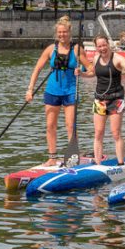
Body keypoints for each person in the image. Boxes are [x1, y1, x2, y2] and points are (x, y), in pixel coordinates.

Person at [25, 16, 93, 166]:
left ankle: (73, 156)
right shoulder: (50, 49)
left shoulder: (77, 49)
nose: (62, 35)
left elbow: (91, 70)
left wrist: (81, 73)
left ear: (70, 32)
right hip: (52, 91)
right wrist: (30, 89)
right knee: (50, 125)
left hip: (70, 91)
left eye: (65, 32)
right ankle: (52, 157)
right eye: (59, 32)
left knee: (70, 125)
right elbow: (37, 69)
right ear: (57, 34)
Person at [83, 35, 125, 165]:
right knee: (98, 133)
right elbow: (92, 73)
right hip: (99, 100)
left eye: (104, 45)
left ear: (108, 44)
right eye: (99, 46)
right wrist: (81, 74)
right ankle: (98, 164)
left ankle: (121, 163)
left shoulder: (117, 58)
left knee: (116, 133)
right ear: (96, 47)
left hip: (116, 100)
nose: (102, 48)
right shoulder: (96, 58)